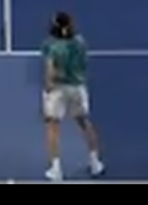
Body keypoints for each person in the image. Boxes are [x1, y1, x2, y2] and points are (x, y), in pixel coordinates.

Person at [41, 11, 104, 182]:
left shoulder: (50, 44)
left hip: (58, 89)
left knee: (53, 126)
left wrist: (48, 86)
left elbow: (50, 68)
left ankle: (56, 170)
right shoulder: (80, 42)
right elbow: (84, 64)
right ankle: (95, 163)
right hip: (77, 87)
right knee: (85, 123)